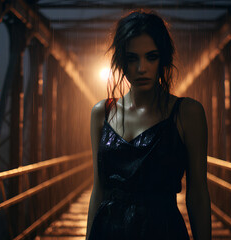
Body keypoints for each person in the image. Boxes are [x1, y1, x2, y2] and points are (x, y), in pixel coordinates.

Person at [86, 9, 210, 240]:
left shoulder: (187, 113)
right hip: (108, 232)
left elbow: (198, 194)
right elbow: (99, 190)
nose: (141, 68)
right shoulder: (101, 113)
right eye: (132, 58)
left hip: (162, 232)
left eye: (151, 57)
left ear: (163, 58)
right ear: (121, 61)